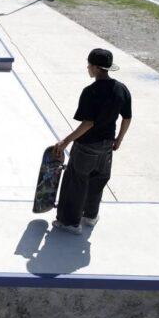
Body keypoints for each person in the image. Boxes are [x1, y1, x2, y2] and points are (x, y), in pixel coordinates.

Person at [52, 49, 132, 235]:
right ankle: (90, 216)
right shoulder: (121, 89)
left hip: (87, 146)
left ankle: (70, 223)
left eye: (89, 65)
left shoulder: (91, 91)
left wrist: (66, 141)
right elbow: (127, 117)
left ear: (96, 68)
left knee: (76, 182)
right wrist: (119, 139)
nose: (87, 68)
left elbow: (88, 123)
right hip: (107, 146)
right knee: (98, 181)